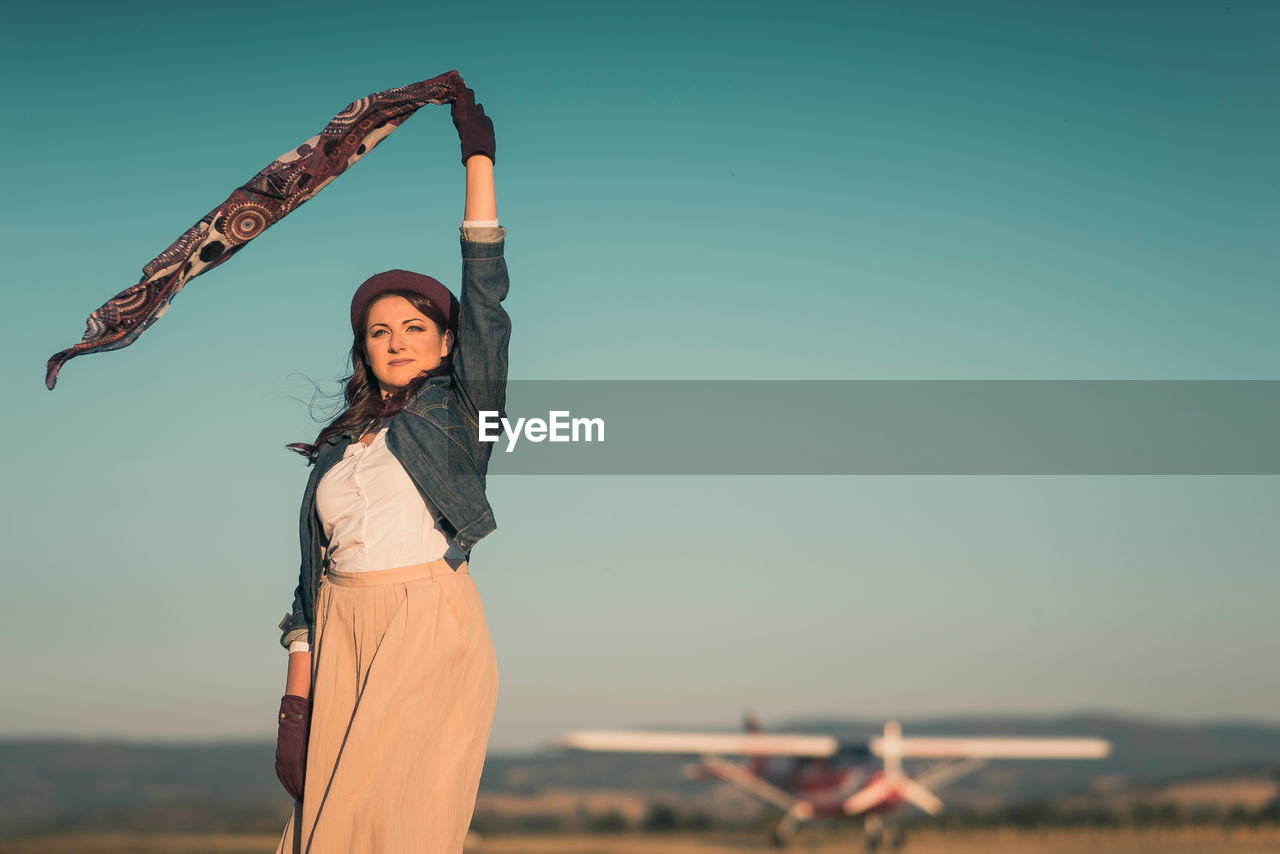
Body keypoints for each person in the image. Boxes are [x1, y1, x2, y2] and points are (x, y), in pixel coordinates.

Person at [272, 79, 508, 854]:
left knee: (399, 827)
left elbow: (484, 295)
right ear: (363, 351)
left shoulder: (460, 411)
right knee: (321, 832)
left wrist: (478, 159)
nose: (398, 339)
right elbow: (307, 590)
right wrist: (295, 707)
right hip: (341, 626)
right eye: (380, 331)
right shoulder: (336, 455)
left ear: (445, 345)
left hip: (424, 620)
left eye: (415, 327)